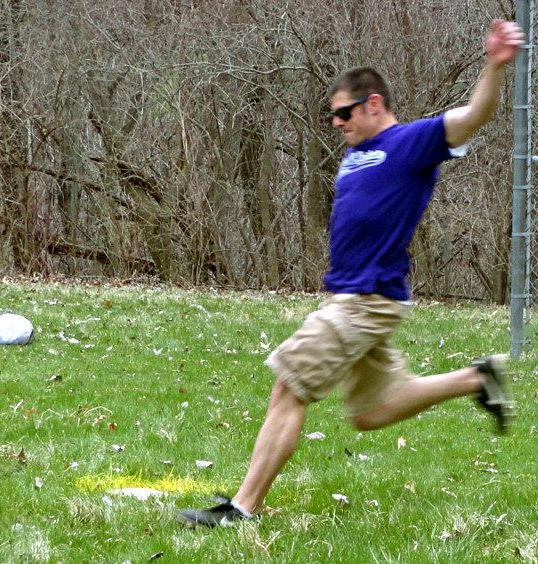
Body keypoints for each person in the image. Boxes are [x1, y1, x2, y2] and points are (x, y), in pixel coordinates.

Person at [177, 20, 523, 528]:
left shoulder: (412, 142)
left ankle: (241, 508)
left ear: (373, 104)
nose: (337, 123)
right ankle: (476, 378)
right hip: (353, 297)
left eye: (344, 113)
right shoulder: (354, 155)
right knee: (371, 410)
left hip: (366, 299)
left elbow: (475, 115)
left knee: (289, 385)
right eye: (333, 115)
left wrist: (494, 65)